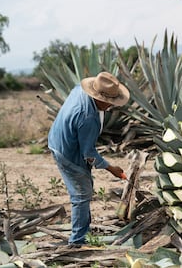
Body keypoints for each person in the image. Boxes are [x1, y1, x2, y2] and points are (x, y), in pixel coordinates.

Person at [48, 71, 130, 246]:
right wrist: (111, 168)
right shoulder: (88, 117)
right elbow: (89, 154)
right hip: (68, 152)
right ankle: (77, 241)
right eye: (108, 102)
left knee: (84, 187)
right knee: (81, 194)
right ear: (98, 97)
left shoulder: (80, 90)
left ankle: (84, 228)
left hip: (58, 139)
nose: (110, 107)